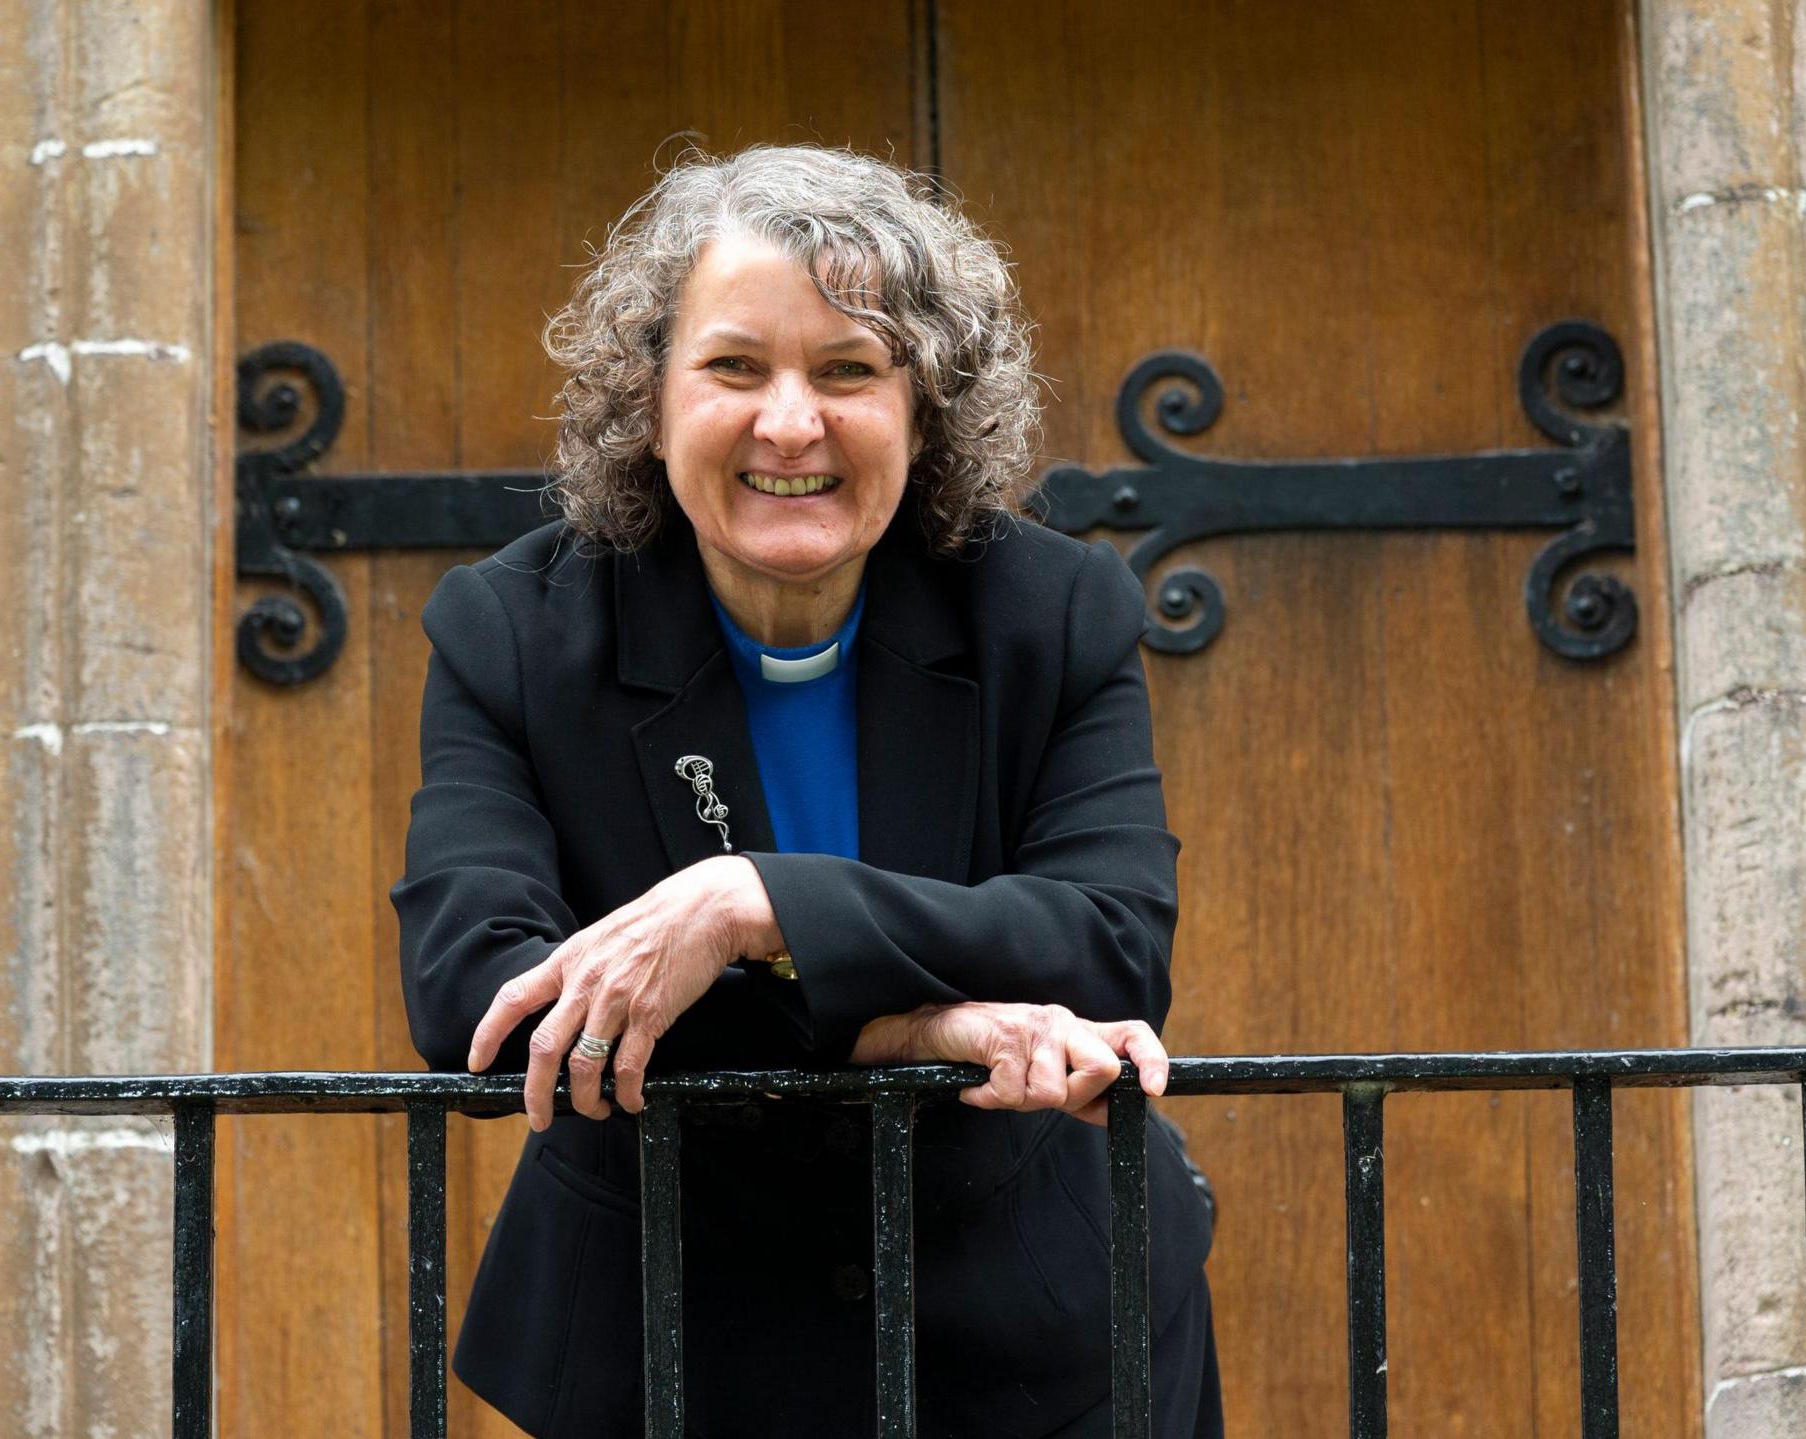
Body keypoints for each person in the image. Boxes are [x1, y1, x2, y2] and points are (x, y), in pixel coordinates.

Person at [391, 143, 1219, 1438]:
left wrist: (756, 902)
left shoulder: (1054, 613)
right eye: (734, 367)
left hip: (1043, 1345)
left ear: (925, 408)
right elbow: (480, 997)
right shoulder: (510, 631)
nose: (791, 423)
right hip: (669, 1350)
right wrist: (898, 1032)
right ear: (648, 400)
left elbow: (1111, 946)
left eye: (849, 371)